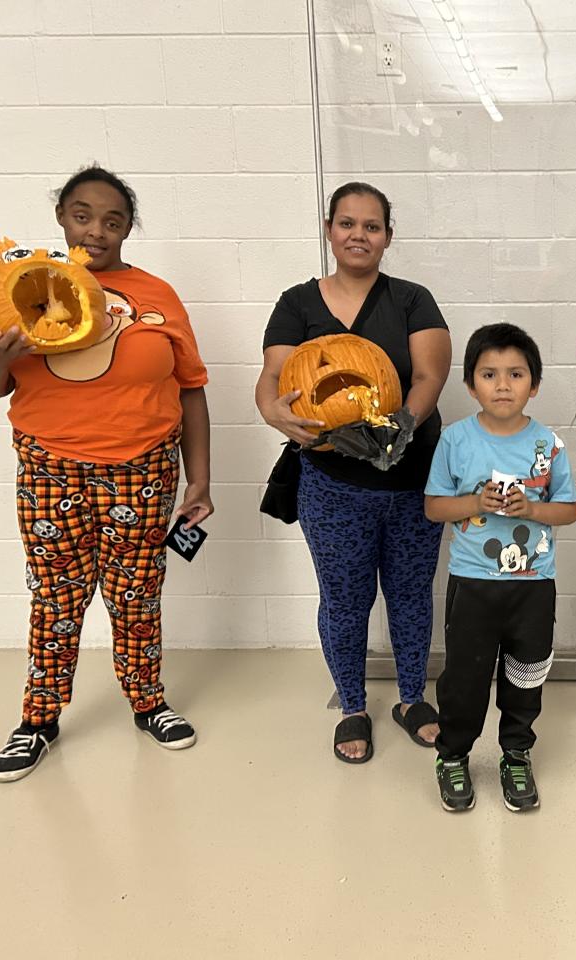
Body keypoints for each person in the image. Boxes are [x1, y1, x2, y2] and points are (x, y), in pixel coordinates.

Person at [0, 164, 213, 782]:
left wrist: (200, 477)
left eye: (112, 219)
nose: (97, 229)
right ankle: (39, 720)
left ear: (128, 228)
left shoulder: (157, 295)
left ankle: (148, 701)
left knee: (137, 594)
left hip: (144, 468)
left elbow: (191, 390)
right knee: (56, 595)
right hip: (51, 467)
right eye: (82, 215)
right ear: (61, 218)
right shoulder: (22, 288)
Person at [256, 182, 452, 764]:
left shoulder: (412, 298)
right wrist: (272, 413)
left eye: (371, 226)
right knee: (344, 597)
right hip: (332, 484)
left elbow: (430, 374)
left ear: (388, 236)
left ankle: (413, 698)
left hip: (412, 476)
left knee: (412, 594)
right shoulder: (297, 302)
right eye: (347, 223)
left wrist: (399, 429)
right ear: (329, 229)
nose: (358, 235)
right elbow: (272, 380)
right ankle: (352, 706)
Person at [424, 324, 576, 812]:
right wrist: (474, 501)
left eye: (516, 374)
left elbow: (569, 510)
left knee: (526, 674)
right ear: (471, 385)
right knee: (464, 680)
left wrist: (531, 510)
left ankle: (516, 752)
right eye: (490, 374)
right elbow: (432, 508)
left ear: (534, 384)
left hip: (533, 586)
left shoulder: (548, 445)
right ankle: (453, 755)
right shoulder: (455, 440)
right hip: (473, 585)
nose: (503, 384)